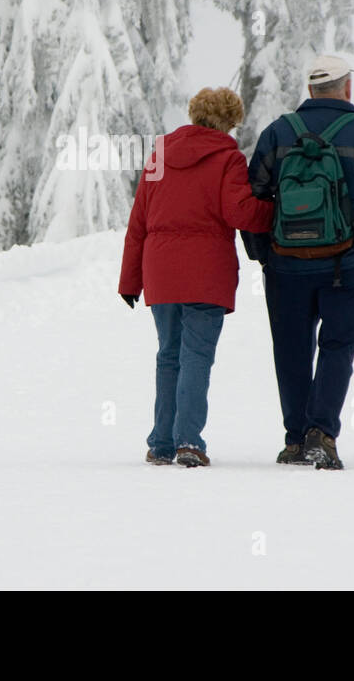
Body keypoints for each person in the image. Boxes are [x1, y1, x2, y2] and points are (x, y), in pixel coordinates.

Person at [242, 55, 354, 469]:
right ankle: (322, 434)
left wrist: (264, 255)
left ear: (311, 91)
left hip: (286, 267)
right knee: (337, 348)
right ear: (346, 89)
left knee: (291, 350)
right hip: (348, 267)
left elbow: (252, 201)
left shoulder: (278, 134)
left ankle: (295, 439)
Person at [118, 87, 273, 468]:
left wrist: (129, 280)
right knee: (197, 356)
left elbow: (138, 222)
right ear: (230, 121)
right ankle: (188, 441)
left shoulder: (158, 156)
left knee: (169, 355)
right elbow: (239, 212)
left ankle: (161, 443)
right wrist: (275, 213)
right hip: (206, 273)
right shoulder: (228, 158)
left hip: (162, 273)